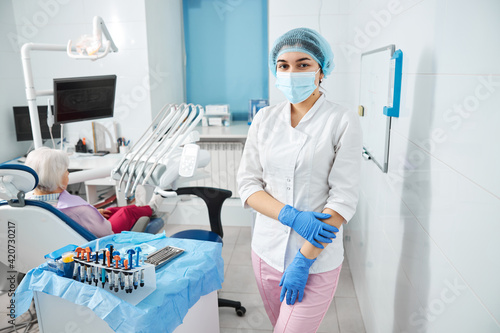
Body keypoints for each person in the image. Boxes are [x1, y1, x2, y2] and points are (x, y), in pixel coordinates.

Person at [237, 28, 362, 332]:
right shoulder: (264, 119)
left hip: (314, 259)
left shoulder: (342, 120)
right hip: (266, 251)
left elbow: (343, 199)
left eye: (303, 64)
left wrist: (303, 262)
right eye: (284, 65)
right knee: (277, 323)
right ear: (275, 70)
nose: (292, 73)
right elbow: (248, 185)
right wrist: (291, 217)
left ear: (322, 71)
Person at [24, 147, 164, 237]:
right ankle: (152, 208)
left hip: (81, 226)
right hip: (105, 238)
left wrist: (95, 213)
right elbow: (105, 232)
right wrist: (93, 215)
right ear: (57, 179)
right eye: (66, 171)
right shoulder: (79, 211)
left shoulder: (28, 200)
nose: (68, 173)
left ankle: (141, 207)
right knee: (126, 213)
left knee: (111, 210)